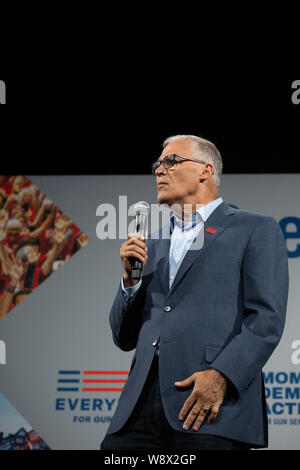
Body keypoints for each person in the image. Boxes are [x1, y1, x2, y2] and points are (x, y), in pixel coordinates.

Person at [100, 134, 289, 451]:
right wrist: (130, 279)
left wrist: (221, 377)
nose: (159, 170)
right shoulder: (152, 241)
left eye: (170, 161)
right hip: (137, 410)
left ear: (205, 170)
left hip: (210, 406)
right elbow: (124, 337)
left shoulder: (254, 228)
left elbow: (266, 319)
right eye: (157, 164)